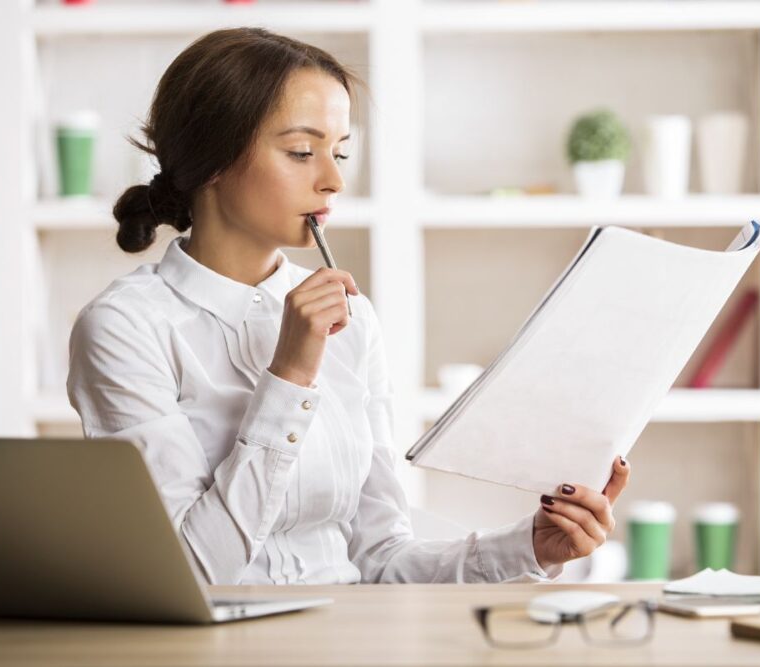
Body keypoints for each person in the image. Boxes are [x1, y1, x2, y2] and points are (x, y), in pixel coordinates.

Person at [67, 27, 631, 585]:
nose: (334, 180)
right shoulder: (125, 327)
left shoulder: (352, 318)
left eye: (339, 153)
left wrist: (529, 547)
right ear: (212, 157)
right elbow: (189, 570)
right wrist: (289, 375)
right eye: (302, 152)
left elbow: (381, 557)